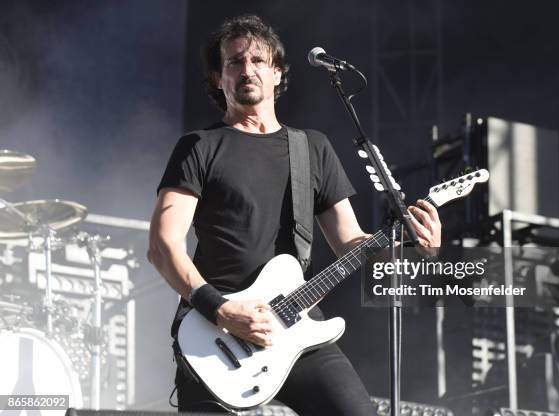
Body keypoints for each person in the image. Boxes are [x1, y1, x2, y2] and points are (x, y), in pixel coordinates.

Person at [148, 14, 441, 416]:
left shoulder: (312, 149)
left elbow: (352, 243)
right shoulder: (199, 147)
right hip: (215, 333)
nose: (246, 70)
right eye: (233, 62)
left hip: (297, 327)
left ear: (277, 72)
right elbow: (163, 245)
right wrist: (221, 309)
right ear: (218, 78)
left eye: (257, 60)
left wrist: (411, 242)